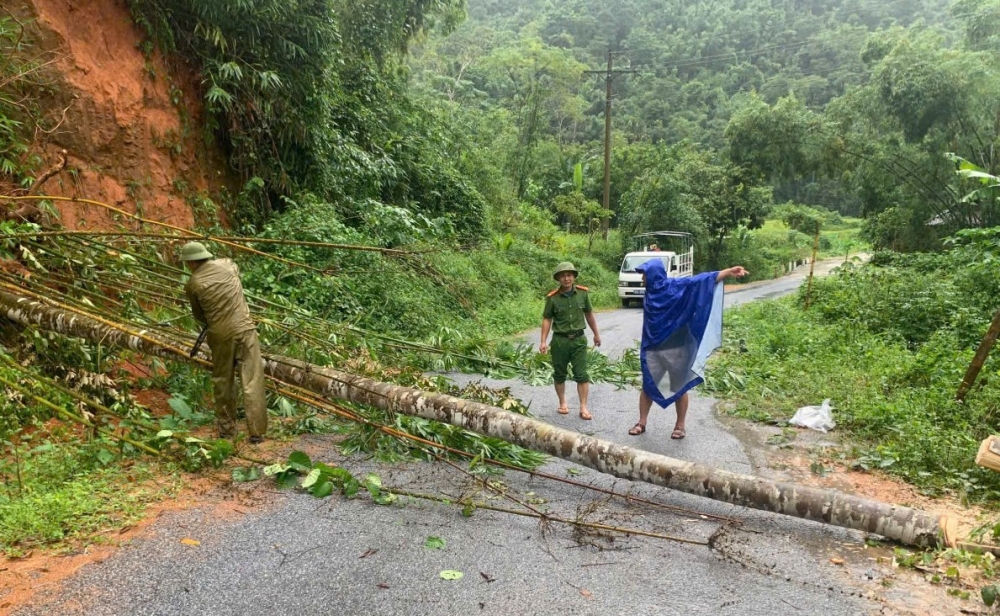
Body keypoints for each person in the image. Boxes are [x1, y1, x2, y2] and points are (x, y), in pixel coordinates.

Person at [627, 258, 748, 439]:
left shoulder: (676, 286)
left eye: (645, 274)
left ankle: (680, 426)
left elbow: (703, 280)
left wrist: (729, 271)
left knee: (679, 386)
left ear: (653, 275)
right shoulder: (650, 293)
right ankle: (641, 422)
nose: (642, 278)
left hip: (676, 346)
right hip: (651, 347)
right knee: (648, 385)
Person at [179, 241, 267, 443]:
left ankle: (227, 431)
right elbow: (235, 268)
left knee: (223, 380)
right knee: (252, 379)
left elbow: (200, 316)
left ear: (190, 263)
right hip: (245, 329)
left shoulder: (193, 284)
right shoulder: (227, 265)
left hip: (220, 334)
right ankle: (256, 432)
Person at [539, 262, 602, 420]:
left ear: (573, 277)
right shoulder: (552, 298)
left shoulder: (582, 294)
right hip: (560, 341)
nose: (566, 278)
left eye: (569, 275)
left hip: (579, 340)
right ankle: (562, 403)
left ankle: (583, 407)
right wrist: (543, 341)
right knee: (559, 374)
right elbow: (547, 319)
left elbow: (589, 314)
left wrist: (596, 334)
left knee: (581, 374)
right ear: (558, 278)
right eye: (562, 275)